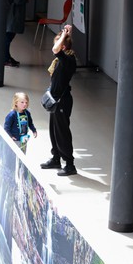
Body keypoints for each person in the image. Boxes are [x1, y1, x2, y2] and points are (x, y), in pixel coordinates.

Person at [41, 24, 77, 176]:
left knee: (62, 132)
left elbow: (55, 49)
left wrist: (63, 36)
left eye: (58, 43)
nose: (54, 46)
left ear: (62, 47)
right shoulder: (61, 60)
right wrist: (65, 33)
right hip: (55, 100)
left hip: (62, 101)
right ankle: (56, 157)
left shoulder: (68, 60)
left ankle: (69, 164)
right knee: (53, 130)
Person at [6, 0, 30, 67]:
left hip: (8, 12)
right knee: (8, 37)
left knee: (7, 37)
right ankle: (5, 58)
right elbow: (18, 0)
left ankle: (6, 57)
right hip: (13, 14)